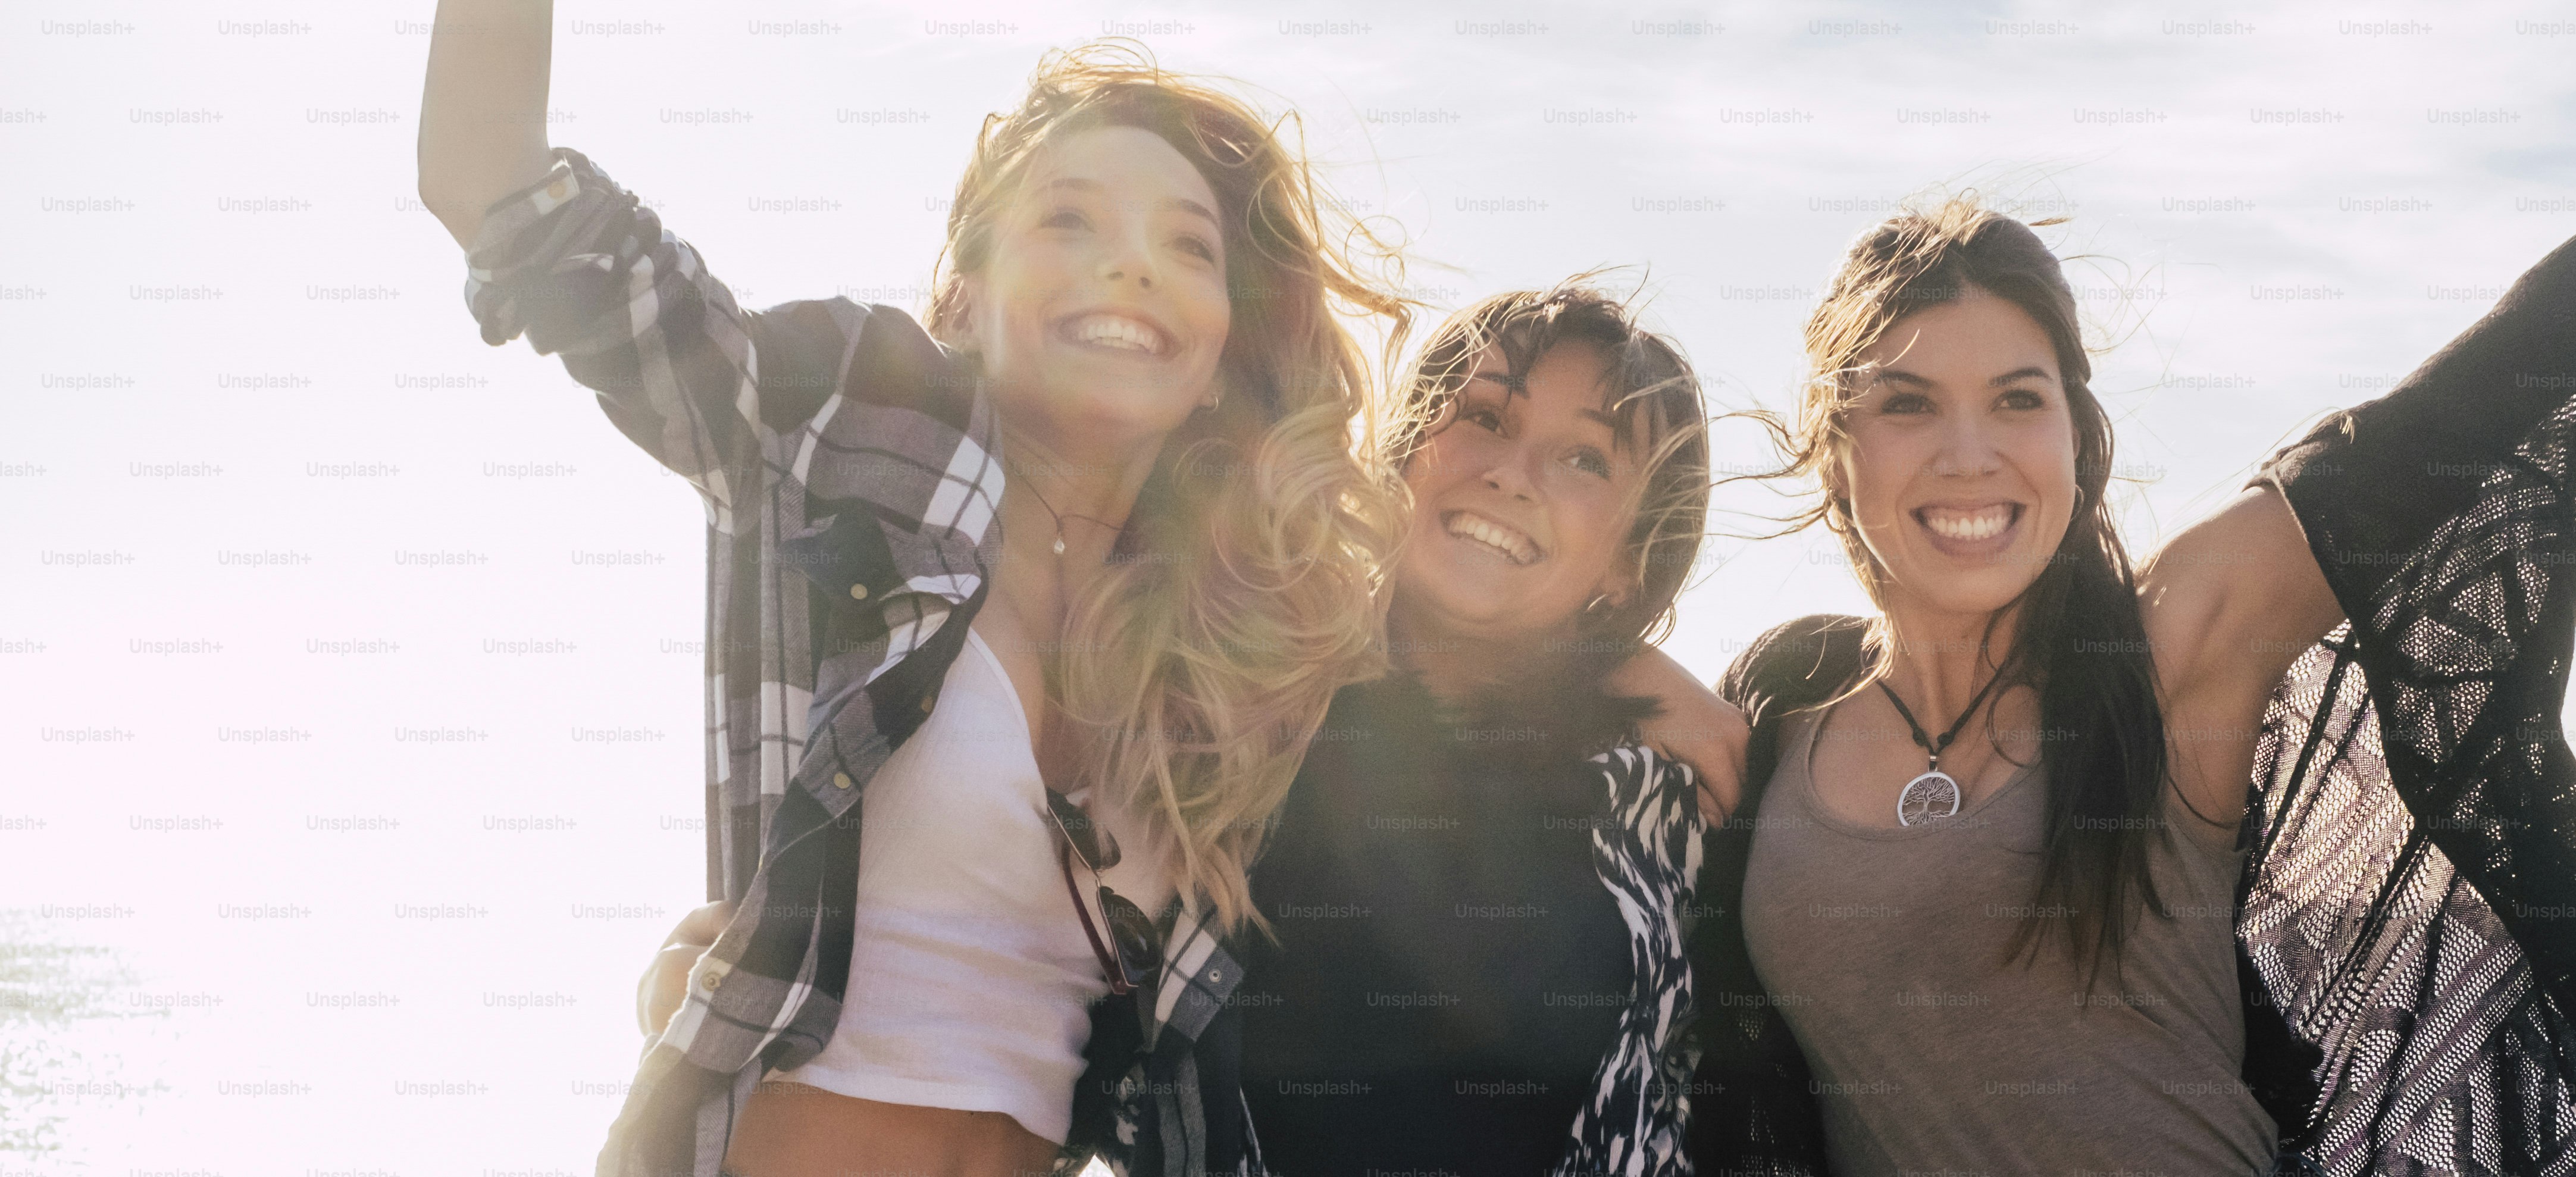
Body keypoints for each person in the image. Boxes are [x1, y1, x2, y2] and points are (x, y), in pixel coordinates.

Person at [1689, 71, 2576, 1177]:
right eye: (1907, 403)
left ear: (2073, 436)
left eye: (2017, 399)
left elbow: (2485, 387)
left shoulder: (2161, 657)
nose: (1969, 452)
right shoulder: (1772, 730)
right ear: (1834, 442)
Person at [418, 14, 1416, 1175]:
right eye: (1069, 219)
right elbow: (488, 179)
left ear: (1223, 347)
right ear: (975, 286)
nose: (1129, 263)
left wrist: (1667, 691)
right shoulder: (855, 429)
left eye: (1187, 245)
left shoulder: (1246, 644)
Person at [1235, 284, 1711, 1176]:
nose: (1512, 474)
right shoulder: (1243, 717)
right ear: (1405, 448)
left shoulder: (1674, 806)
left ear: (1628, 560)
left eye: (1584, 459)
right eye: (1487, 418)